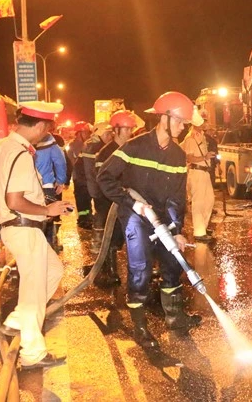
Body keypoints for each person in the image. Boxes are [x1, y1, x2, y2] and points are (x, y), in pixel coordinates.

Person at [98, 92, 203, 348]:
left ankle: (175, 318)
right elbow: (104, 177)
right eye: (180, 121)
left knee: (172, 263)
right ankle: (140, 326)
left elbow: (177, 197)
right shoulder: (135, 147)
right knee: (141, 268)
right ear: (164, 118)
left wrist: (177, 230)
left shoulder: (177, 155)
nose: (183, 127)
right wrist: (131, 203)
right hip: (135, 215)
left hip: (162, 217)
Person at [0, 101, 73, 370]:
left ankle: (16, 320)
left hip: (17, 228)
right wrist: (47, 209)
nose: (46, 134)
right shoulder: (21, 154)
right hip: (24, 228)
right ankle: (33, 353)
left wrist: (3, 203)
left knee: (54, 271)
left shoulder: (2, 146)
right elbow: (15, 200)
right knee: (33, 292)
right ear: (40, 125)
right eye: (47, 129)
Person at [93, 110, 140, 283]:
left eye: (131, 129)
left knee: (126, 234)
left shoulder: (131, 149)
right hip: (109, 200)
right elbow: (103, 179)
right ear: (116, 130)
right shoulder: (106, 153)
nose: (129, 133)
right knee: (111, 236)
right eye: (126, 129)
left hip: (126, 200)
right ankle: (110, 271)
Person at [180, 111, 216, 241]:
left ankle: (202, 228)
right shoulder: (191, 138)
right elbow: (189, 157)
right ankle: (199, 232)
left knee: (209, 200)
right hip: (197, 172)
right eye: (203, 121)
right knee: (198, 203)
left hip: (204, 172)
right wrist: (205, 157)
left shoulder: (201, 136)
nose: (205, 123)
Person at [82, 121, 114, 252]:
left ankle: (98, 242)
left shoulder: (89, 144)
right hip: (99, 186)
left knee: (100, 212)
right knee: (102, 213)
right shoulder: (99, 148)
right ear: (102, 134)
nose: (110, 136)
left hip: (94, 185)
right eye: (108, 134)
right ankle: (98, 243)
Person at [34, 130, 68, 251]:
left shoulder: (20, 138)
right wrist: (60, 181)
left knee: (31, 218)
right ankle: (48, 247)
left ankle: (35, 248)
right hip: (46, 186)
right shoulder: (47, 138)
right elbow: (60, 161)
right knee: (48, 217)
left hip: (27, 188)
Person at [68, 121, 93, 228]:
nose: (88, 135)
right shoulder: (74, 146)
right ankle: (83, 219)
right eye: (86, 132)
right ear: (79, 133)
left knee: (87, 199)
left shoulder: (87, 144)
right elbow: (72, 162)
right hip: (79, 178)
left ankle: (88, 217)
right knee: (82, 200)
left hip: (87, 177)